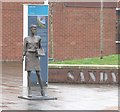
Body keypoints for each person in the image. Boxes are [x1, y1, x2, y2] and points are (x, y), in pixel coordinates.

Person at [22, 24, 45, 97]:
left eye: (35, 28)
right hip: (29, 55)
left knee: (38, 73)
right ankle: (29, 91)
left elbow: (40, 47)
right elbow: (24, 49)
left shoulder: (38, 38)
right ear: (30, 29)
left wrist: (40, 52)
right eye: (33, 28)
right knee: (29, 74)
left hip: (35, 56)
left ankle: (42, 90)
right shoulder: (26, 38)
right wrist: (22, 56)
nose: (34, 30)